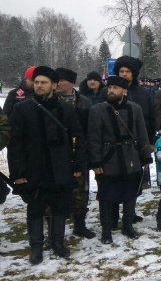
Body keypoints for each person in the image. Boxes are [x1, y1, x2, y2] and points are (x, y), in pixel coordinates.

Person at [8, 66, 86, 264]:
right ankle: (36, 247)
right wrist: (18, 173)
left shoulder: (66, 109)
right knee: (35, 208)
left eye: (43, 82)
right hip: (34, 169)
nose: (39, 86)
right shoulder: (22, 108)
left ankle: (58, 242)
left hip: (60, 167)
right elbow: (15, 144)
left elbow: (77, 137)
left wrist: (77, 165)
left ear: (54, 85)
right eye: (36, 82)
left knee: (60, 207)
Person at [87, 76, 153, 244]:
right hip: (109, 158)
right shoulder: (97, 110)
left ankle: (127, 225)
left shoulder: (135, 108)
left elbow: (142, 133)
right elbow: (93, 138)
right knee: (107, 196)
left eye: (115, 88)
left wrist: (146, 155)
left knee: (130, 194)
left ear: (124, 91)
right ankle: (106, 230)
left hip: (131, 156)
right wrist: (96, 162)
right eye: (109, 88)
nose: (111, 91)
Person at [55, 67, 95, 239]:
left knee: (81, 191)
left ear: (71, 83)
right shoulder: (51, 101)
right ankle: (56, 228)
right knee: (58, 191)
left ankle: (80, 224)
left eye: (61, 80)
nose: (57, 83)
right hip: (57, 152)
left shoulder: (84, 102)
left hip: (80, 151)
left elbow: (90, 128)